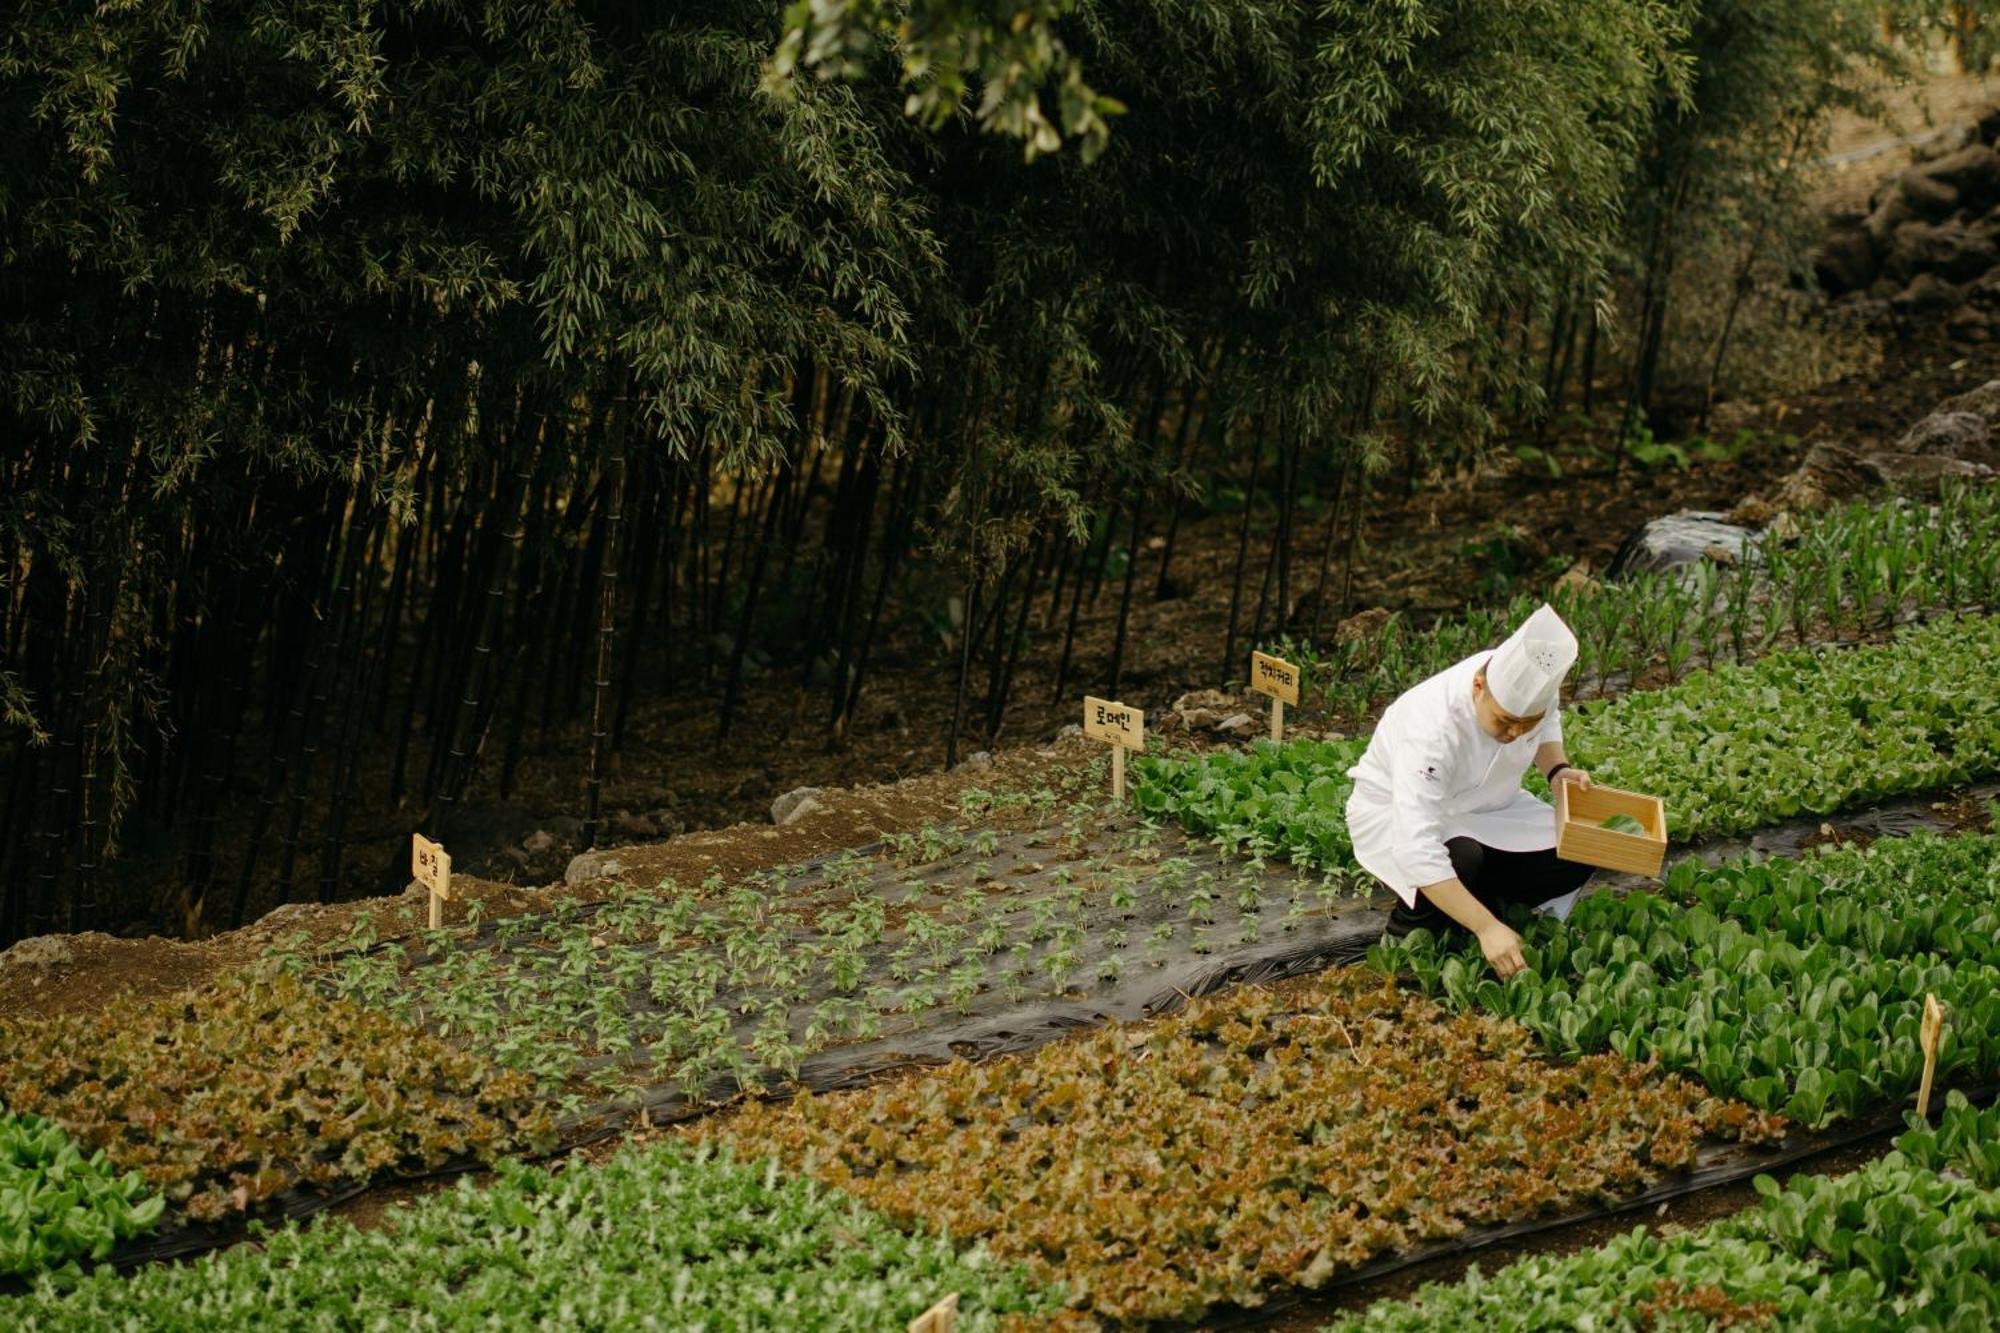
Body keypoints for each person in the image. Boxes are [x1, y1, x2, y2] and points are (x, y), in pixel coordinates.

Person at [1344, 603, 1596, 979]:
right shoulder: (1431, 729)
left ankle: (1472, 904)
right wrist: (1486, 928)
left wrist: (1557, 770)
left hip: (1492, 806)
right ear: (1478, 688)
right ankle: (1407, 932)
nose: (1515, 735)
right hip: (1396, 813)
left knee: (1578, 848)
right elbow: (1416, 846)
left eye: (1526, 725)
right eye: (1506, 722)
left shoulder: (1530, 686)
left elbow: (1548, 719)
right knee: (1458, 856)